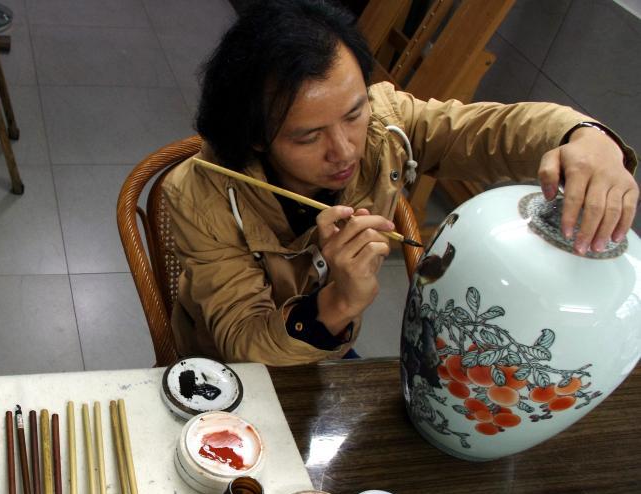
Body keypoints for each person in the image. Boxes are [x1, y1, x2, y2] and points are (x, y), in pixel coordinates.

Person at [163, 0, 638, 366]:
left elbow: (493, 132)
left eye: (353, 113)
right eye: (309, 137)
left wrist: (584, 137)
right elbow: (242, 341)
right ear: (256, 139)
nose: (346, 151)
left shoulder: (385, 127)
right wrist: (340, 299)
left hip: (327, 353)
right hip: (226, 373)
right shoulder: (199, 194)